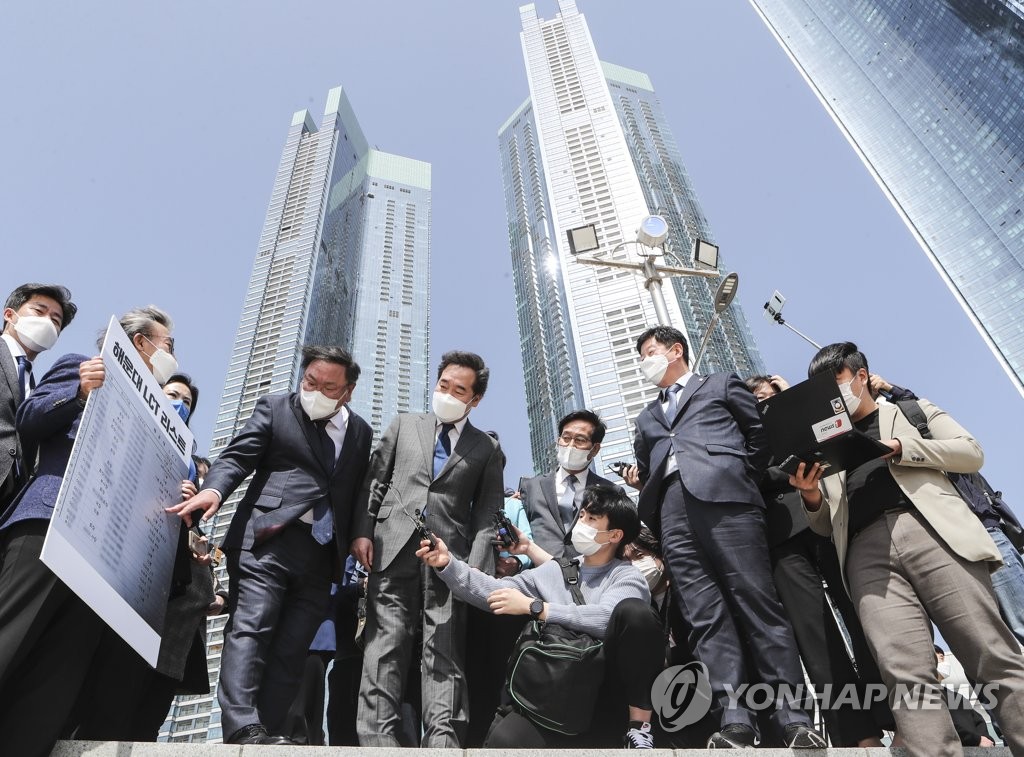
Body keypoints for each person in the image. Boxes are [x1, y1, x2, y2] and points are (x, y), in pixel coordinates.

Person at [793, 341, 1024, 757]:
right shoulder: (826, 443)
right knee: (904, 675)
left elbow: (971, 452)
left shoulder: (910, 411)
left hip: (930, 532)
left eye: (838, 383)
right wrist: (811, 496)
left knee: (989, 651)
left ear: (861, 376)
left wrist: (904, 449)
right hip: (865, 554)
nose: (833, 397)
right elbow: (828, 522)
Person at [629, 325, 824, 749]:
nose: (644, 361)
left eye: (649, 351)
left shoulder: (719, 384)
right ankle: (735, 718)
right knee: (705, 618)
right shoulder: (646, 417)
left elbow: (758, 436)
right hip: (674, 516)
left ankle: (792, 717)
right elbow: (646, 466)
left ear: (676, 350)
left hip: (730, 503)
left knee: (758, 605)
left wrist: (738, 476)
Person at [0, 305, 178, 757]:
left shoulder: (161, 423)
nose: (171, 353)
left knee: (57, 678)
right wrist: (79, 390)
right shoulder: (80, 365)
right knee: (10, 635)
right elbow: (30, 418)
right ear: (140, 343)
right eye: (167, 344)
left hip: (105, 563)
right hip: (52, 522)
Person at [172, 345, 372, 745]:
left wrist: (361, 533)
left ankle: (270, 730)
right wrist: (215, 491)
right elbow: (237, 457)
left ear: (347, 392)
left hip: (321, 553)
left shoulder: (361, 433)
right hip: (266, 539)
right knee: (253, 625)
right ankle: (242, 724)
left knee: (293, 646)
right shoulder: (276, 407)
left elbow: (359, 491)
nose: (315, 391)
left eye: (328, 387)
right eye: (310, 382)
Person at [417, 484, 663, 749]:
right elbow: (495, 591)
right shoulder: (554, 571)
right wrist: (447, 563)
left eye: (592, 519)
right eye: (582, 515)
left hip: (606, 699)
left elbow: (605, 618)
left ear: (614, 535)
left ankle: (639, 729)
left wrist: (538, 608)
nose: (582, 523)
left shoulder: (627, 576)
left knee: (638, 614)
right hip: (557, 694)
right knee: (503, 740)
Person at [351, 350, 505, 748]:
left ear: (475, 399)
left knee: (445, 649)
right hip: (391, 545)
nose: (448, 393)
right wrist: (363, 532)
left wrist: (474, 572)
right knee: (386, 643)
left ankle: (443, 740)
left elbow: (488, 514)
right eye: (443, 385)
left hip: (449, 559)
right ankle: (376, 740)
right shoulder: (404, 424)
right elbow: (375, 482)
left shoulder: (486, 448)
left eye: (459, 390)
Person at [68, 372, 225, 741]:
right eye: (172, 395)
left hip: (176, 609)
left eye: (187, 402)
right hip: (128, 588)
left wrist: (192, 511)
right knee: (107, 706)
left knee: (146, 717)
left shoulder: (188, 461)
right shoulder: (132, 432)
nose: (180, 404)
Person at [746, 374, 891, 748]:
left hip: (832, 519)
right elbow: (747, 474)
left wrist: (792, 391)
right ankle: (860, 736)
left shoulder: (803, 409)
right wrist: (788, 469)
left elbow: (837, 436)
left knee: (865, 616)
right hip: (780, 536)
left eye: (770, 395)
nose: (764, 402)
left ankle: (898, 714)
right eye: (757, 399)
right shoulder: (741, 430)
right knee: (816, 637)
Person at [871, 372, 1024, 646]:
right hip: (943, 543)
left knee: (1020, 621)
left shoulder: (915, 423)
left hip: (983, 529)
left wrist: (886, 387)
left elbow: (913, 406)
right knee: (982, 642)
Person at [0, 283, 77, 510]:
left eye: (55, 320)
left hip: (11, 500)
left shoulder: (37, 388)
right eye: (39, 311)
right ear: (10, 315)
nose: (47, 321)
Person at [518, 409, 618, 558]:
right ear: (559, 440)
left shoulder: (611, 491)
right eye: (566, 438)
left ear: (595, 449)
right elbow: (522, 532)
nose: (570, 445)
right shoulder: (531, 486)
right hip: (541, 574)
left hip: (593, 575)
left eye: (580, 440)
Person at [935, 646, 996, 748]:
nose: (942, 656)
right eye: (938, 655)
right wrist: (975, 740)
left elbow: (978, 721)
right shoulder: (917, 694)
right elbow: (938, 724)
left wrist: (987, 739)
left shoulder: (957, 697)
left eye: (943, 656)